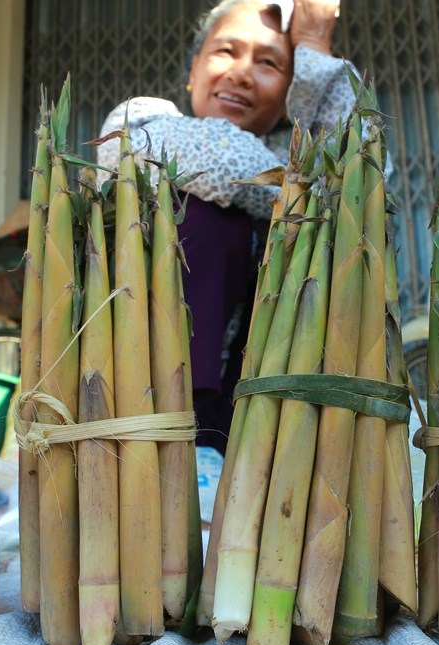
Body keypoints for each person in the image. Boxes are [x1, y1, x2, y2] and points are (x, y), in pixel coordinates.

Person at [96, 0, 360, 454]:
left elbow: (365, 186)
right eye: (225, 52)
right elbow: (225, 161)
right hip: (133, 400)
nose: (241, 73)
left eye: (269, 63)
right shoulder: (141, 120)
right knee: (215, 213)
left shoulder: (289, 154)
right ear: (192, 69)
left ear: (289, 97)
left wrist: (315, 49)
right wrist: (315, 193)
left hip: (262, 426)